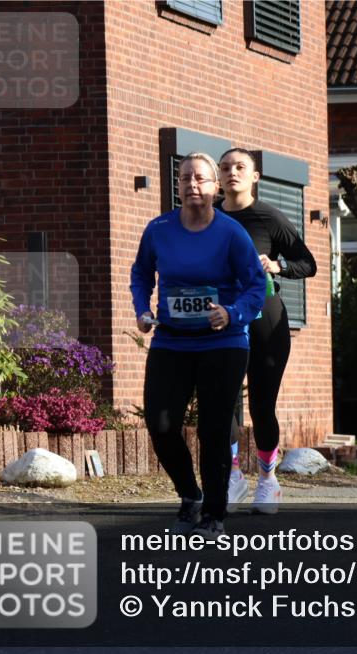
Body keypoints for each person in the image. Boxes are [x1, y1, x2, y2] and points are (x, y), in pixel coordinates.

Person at [130, 152, 267, 538]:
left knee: (213, 427)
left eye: (201, 179)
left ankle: (214, 513)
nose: (193, 185)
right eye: (186, 178)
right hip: (171, 340)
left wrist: (233, 313)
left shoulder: (230, 233)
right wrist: (142, 310)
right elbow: (141, 274)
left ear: (215, 187)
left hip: (223, 342)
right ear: (178, 185)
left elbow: (257, 286)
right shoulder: (158, 229)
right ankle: (190, 494)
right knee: (160, 423)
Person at [216, 147, 317, 513]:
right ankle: (233, 477)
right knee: (222, 400)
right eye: (225, 167)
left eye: (240, 167)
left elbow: (308, 263)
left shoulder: (268, 216)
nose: (232, 173)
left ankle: (269, 480)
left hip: (266, 319)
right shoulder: (208, 217)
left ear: (255, 176)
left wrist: (277, 265)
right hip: (222, 318)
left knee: (261, 404)